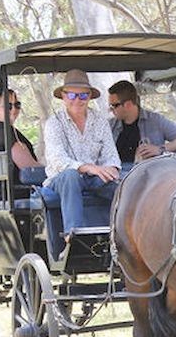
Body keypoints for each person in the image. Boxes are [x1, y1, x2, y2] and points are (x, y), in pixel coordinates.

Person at [43, 69, 121, 234]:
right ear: (64, 96)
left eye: (83, 96)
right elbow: (57, 160)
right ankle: (74, 235)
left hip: (94, 178)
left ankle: (124, 233)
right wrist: (88, 167)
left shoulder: (100, 121)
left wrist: (112, 169)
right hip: (62, 179)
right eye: (72, 95)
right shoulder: (54, 123)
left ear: (89, 97)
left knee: (122, 184)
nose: (77, 100)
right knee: (71, 176)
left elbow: (111, 155)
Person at [108, 80, 176, 174]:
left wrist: (160, 149)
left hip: (146, 175)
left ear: (128, 104)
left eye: (114, 105)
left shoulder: (155, 121)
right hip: (116, 175)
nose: (111, 110)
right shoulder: (110, 125)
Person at [0, 87, 41, 184]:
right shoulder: (4, 132)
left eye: (17, 105)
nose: (14, 109)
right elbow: (30, 169)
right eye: (8, 106)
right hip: (21, 190)